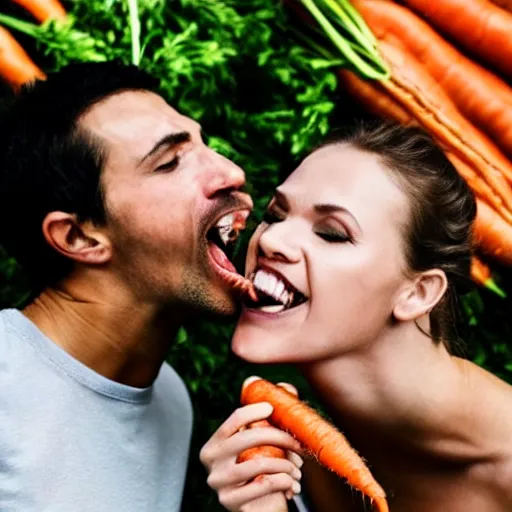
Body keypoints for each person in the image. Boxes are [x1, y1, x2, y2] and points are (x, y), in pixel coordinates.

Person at [0, 61, 302, 512]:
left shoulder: (170, 402)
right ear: (79, 237)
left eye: (207, 146)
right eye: (169, 163)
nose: (232, 172)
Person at [203, 122, 512, 511]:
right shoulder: (287, 453)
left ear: (417, 293)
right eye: (276, 215)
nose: (269, 239)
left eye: (332, 233)